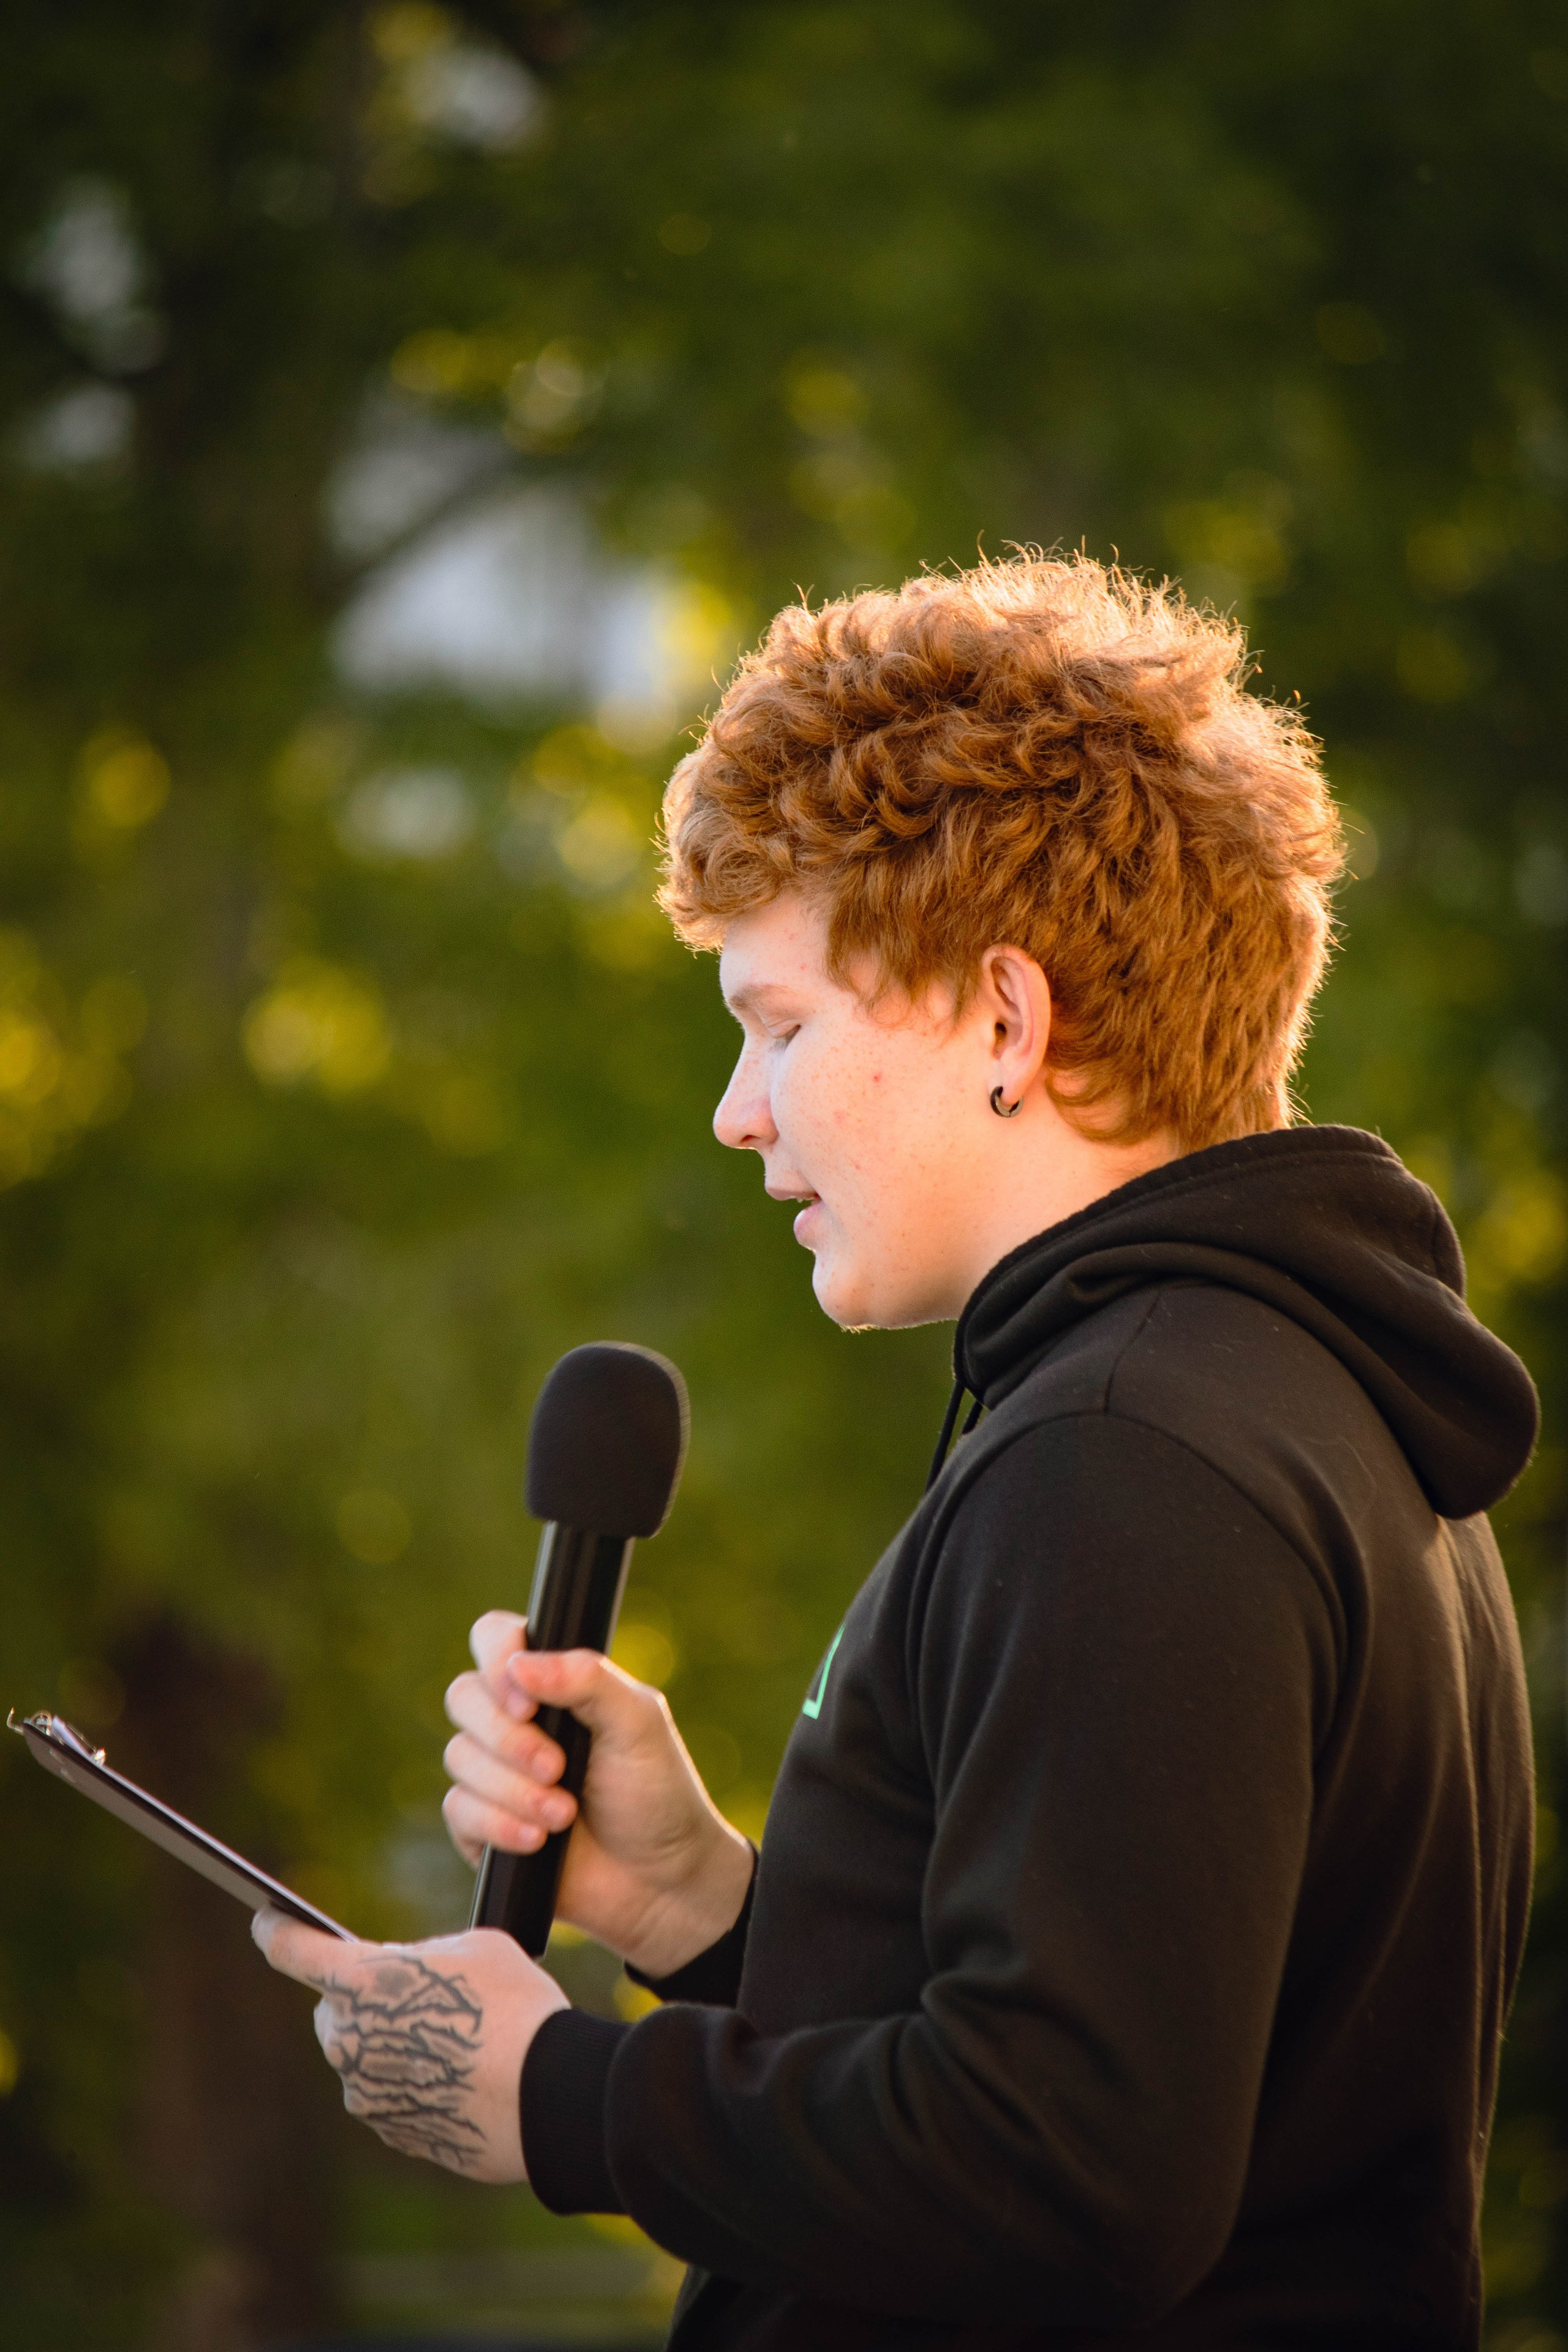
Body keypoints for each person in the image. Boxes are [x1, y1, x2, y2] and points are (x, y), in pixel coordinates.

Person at [255, 555, 1539, 2351]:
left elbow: (1076, 2174)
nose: (738, 1110)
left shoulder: (1129, 1451)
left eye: (780, 1024)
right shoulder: (1281, 1403)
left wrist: (564, 2098)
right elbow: (1115, 2062)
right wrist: (710, 1908)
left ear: (1008, 1019)